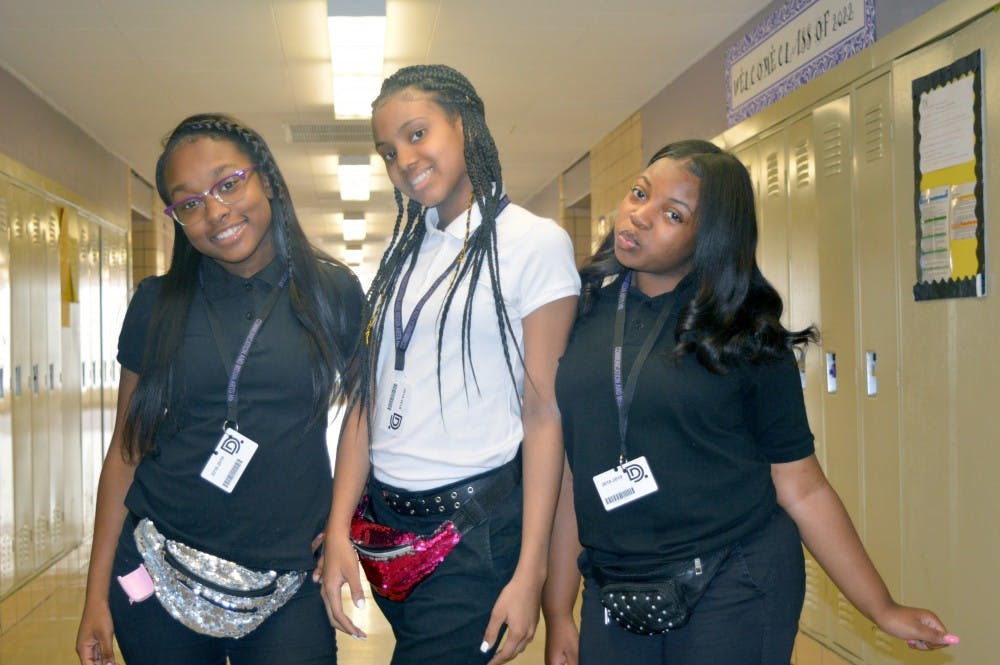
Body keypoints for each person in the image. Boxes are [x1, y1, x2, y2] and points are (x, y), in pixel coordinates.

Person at [542, 140, 957, 665]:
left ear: (710, 237)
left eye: (673, 214)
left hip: (733, 577)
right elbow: (572, 476)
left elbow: (801, 486)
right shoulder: (580, 312)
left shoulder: (743, 333)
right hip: (616, 580)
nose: (640, 216)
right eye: (640, 194)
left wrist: (881, 607)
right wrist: (558, 608)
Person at [75, 113, 363, 665]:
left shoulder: (333, 292)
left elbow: (362, 418)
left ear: (267, 180)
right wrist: (95, 597)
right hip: (154, 572)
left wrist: (341, 526)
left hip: (291, 577)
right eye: (189, 203)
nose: (215, 212)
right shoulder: (157, 304)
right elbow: (126, 451)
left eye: (229, 184)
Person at [316, 64, 580, 664]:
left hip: (471, 535)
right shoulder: (404, 254)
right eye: (388, 152)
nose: (403, 160)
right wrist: (338, 528)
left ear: (464, 125)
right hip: (385, 526)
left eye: (417, 134)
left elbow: (544, 412)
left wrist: (532, 571)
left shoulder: (533, 244)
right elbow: (365, 400)